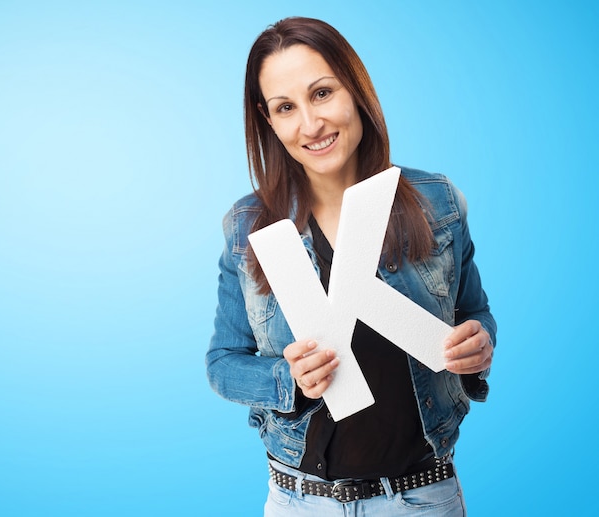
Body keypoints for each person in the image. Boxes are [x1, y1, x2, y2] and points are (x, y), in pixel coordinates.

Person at [206, 16, 496, 517]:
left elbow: (476, 315)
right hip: (300, 501)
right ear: (268, 119)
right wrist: (287, 380)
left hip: (421, 499)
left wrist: (479, 344)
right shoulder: (247, 226)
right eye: (285, 107)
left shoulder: (438, 204)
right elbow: (222, 363)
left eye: (322, 94)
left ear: (355, 89)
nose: (310, 125)